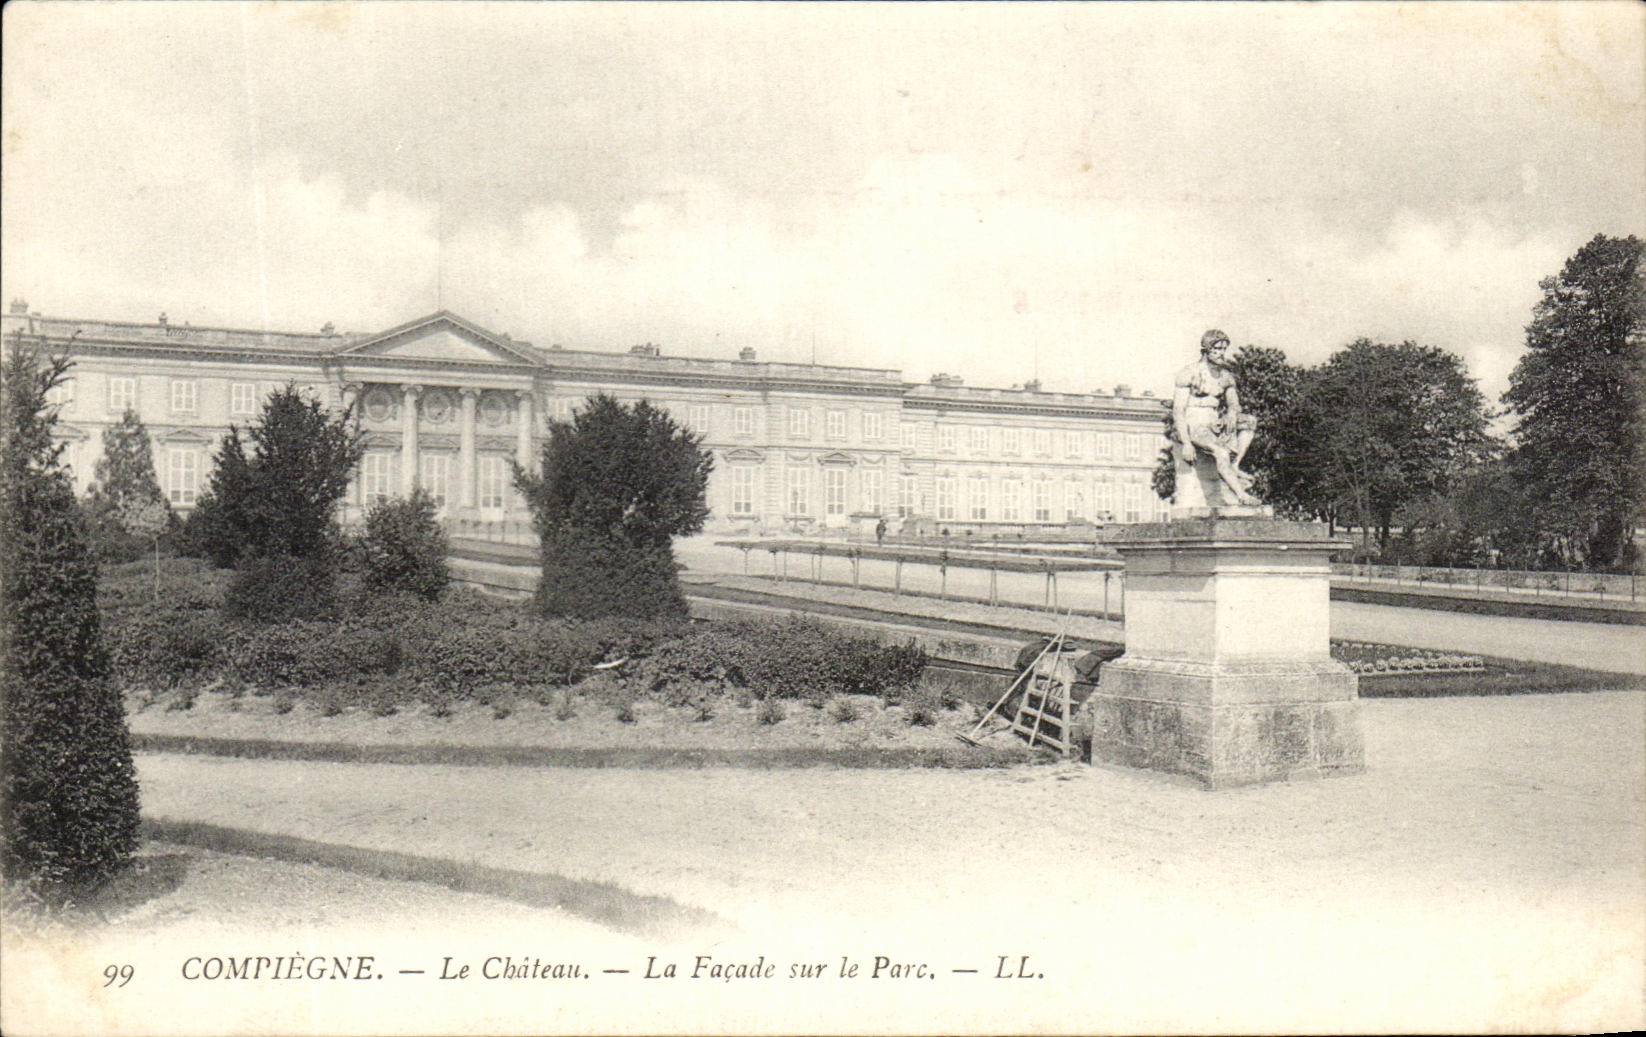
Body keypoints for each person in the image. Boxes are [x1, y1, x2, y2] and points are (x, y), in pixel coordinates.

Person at [1172, 329, 1258, 507]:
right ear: (1205, 350)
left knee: (1250, 421)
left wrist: (1231, 413)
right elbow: (1178, 411)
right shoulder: (1189, 373)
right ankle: (1241, 494)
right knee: (1221, 451)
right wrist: (1186, 443)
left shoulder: (1225, 376)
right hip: (1195, 424)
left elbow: (1234, 404)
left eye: (1224, 349)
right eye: (1217, 349)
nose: (1221, 353)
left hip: (1214, 422)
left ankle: (1235, 465)